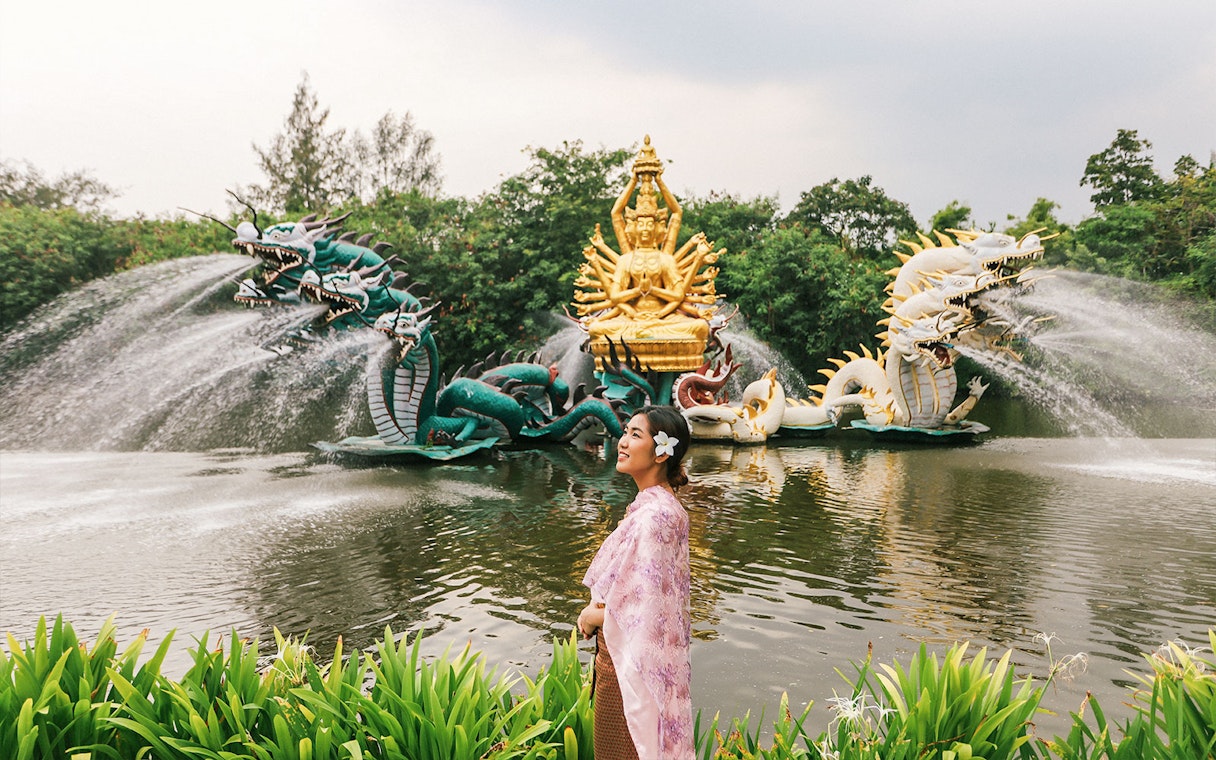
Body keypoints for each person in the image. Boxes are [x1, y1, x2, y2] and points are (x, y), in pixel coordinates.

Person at [578, 405, 694, 759]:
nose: (622, 442)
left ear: (661, 453)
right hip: (639, 663)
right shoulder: (662, 507)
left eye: (635, 435)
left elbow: (647, 611)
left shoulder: (655, 517)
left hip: (631, 670)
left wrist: (593, 616)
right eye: (625, 432)